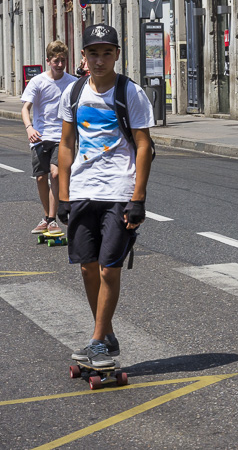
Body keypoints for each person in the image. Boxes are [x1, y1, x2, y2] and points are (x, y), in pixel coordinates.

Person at [57, 24, 154, 368]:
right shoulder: (74, 92)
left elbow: (144, 146)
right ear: (83, 56)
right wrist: (63, 196)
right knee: (88, 268)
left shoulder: (130, 93)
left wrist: (137, 198)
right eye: (93, 53)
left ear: (117, 55)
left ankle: (97, 341)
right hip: (83, 189)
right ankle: (106, 333)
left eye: (107, 53)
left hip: (118, 191)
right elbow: (66, 144)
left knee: (109, 269)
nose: (100, 60)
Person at [21, 41, 78, 234]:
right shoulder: (37, 81)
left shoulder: (72, 82)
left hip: (62, 137)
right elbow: (25, 108)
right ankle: (46, 217)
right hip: (39, 136)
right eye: (56, 61)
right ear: (48, 61)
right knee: (40, 177)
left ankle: (52, 219)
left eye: (63, 61)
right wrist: (29, 128)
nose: (60, 65)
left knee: (55, 174)